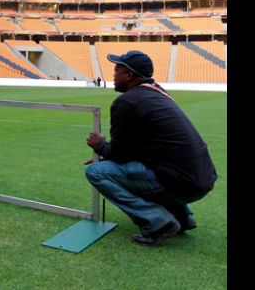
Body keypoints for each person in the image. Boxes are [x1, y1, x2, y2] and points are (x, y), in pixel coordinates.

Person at [84, 50, 217, 246]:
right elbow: (139, 148)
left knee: (96, 172)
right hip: (202, 178)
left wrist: (101, 146)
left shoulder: (127, 102)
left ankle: (158, 222)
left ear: (128, 75)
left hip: (180, 183)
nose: (113, 75)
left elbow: (121, 154)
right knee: (153, 167)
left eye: (117, 70)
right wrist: (109, 154)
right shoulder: (159, 92)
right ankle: (182, 216)